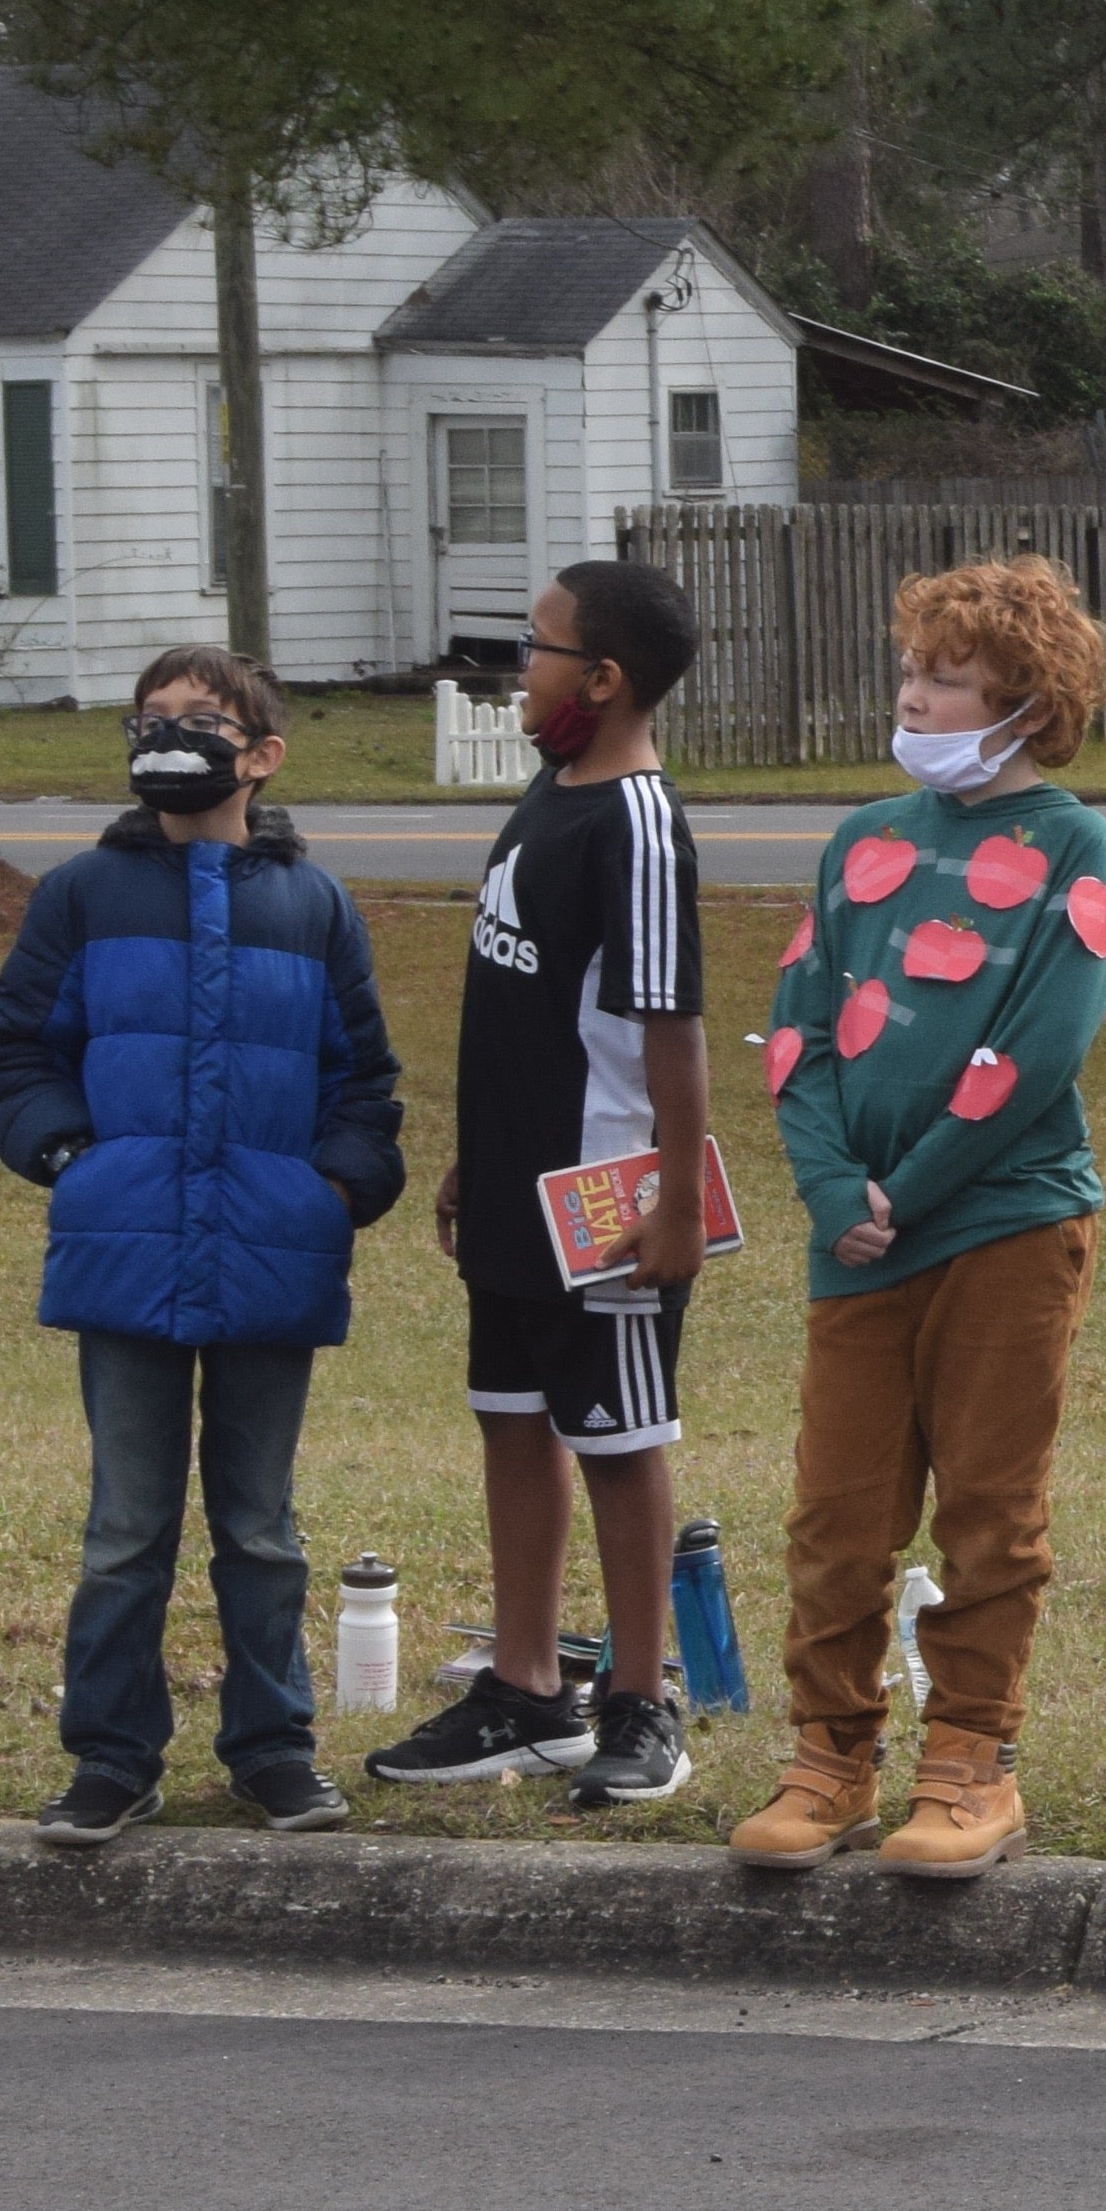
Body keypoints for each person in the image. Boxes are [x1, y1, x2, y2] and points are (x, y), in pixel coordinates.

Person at [731, 557, 1106, 1879]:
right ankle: (829, 1760)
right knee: (836, 1512)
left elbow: (1041, 1049)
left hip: (1004, 1228)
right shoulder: (864, 842)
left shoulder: (1071, 845)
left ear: (1025, 702)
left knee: (988, 1510)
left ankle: (969, 1764)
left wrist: (917, 1190)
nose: (918, 697)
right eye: (913, 672)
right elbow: (799, 1027)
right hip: (857, 1243)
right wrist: (838, 1189)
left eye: (949, 681)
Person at [0, 650, 402, 1840]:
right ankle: (112, 1753)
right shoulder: (81, 896)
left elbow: (363, 1079)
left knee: (261, 1529)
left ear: (261, 753)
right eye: (150, 720)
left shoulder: (313, 908)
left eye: (201, 721)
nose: (171, 738)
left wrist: (333, 1190)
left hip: (274, 1255)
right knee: (125, 1530)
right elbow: (15, 1050)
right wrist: (71, 1157)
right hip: (125, 1252)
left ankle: (273, 1748)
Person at [368, 559, 712, 1810]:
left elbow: (668, 1029)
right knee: (510, 1416)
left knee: (619, 1440)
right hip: (515, 1189)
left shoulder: (636, 822)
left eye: (541, 646)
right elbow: (526, 999)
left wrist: (673, 1203)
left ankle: (637, 1698)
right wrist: (479, 1150)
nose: (523, 666)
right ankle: (524, 1690)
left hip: (606, 1208)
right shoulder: (550, 787)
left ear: (605, 679)